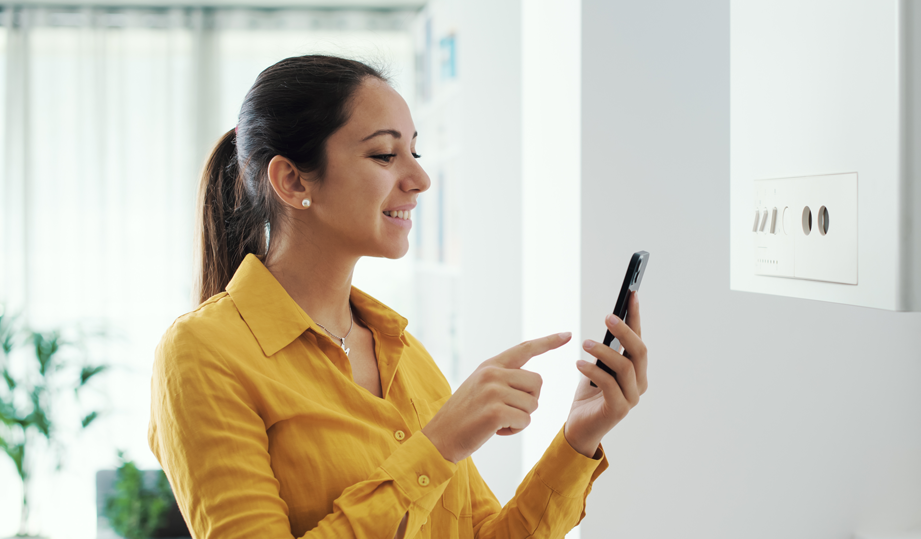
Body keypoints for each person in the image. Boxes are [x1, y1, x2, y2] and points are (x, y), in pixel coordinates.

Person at [147, 55, 650, 539]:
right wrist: (438, 445)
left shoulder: (402, 352)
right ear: (292, 179)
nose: (420, 179)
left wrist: (578, 438)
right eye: (385, 155)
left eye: (415, 152)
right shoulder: (202, 353)